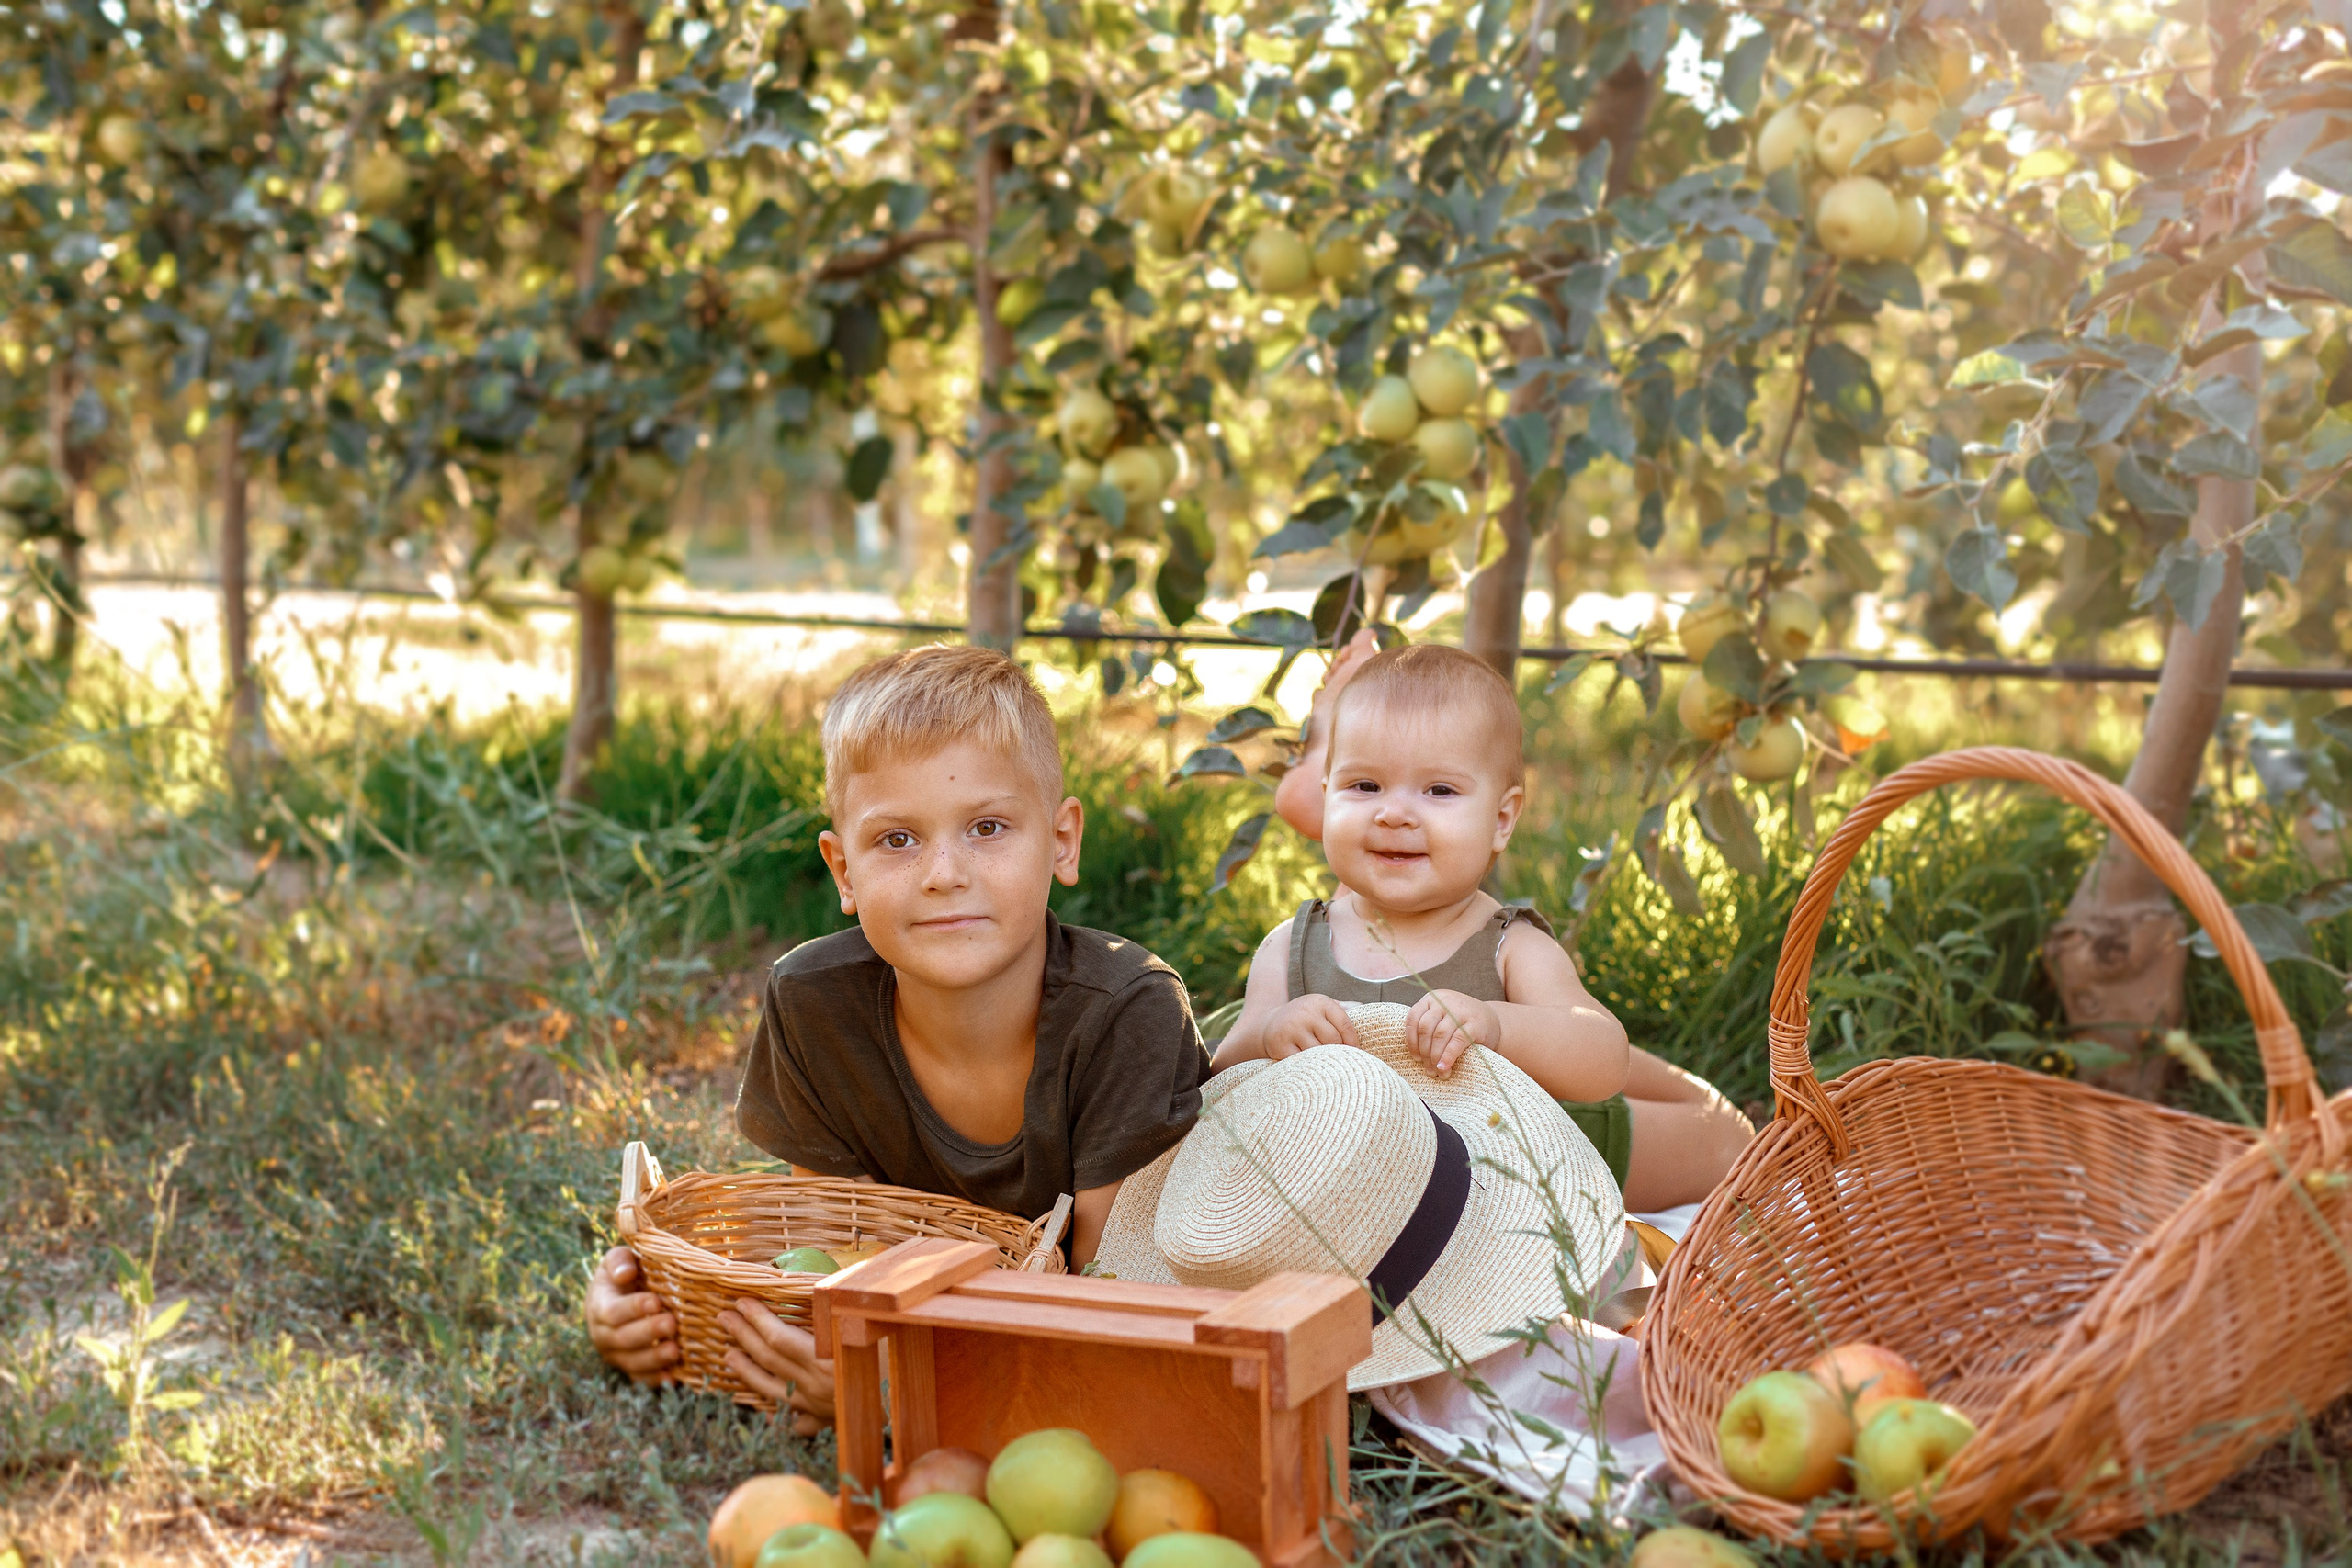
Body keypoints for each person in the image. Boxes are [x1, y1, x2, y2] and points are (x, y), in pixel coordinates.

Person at [585, 645, 1211, 1431]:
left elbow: (1108, 1305)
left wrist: (894, 1397)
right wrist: (650, 1310)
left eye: (987, 826)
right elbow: (824, 1263)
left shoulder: (1129, 1015)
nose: (944, 872)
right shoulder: (814, 1005)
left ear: (1062, 839)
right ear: (842, 870)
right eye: (897, 840)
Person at [1225, 637, 1752, 1213]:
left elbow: (1604, 1057)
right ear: (1330, 801)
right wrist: (1274, 1029)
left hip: (1546, 1150)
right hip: (1368, 1194)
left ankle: (1689, 1099)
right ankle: (1336, 742)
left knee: (1729, 1141)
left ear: (1502, 820)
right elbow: (1221, 1074)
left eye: (1439, 790)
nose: (1394, 812)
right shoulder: (1291, 946)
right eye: (1365, 786)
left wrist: (1496, 1024)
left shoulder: (1507, 946)